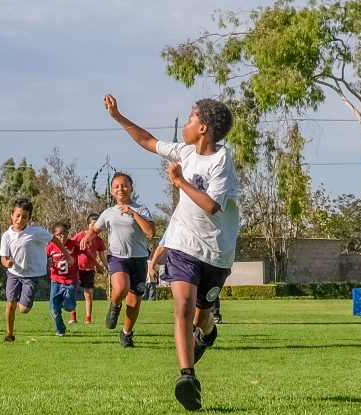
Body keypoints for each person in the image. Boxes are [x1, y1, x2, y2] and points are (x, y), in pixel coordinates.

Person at [104, 94, 239, 411]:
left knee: (201, 319)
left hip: (216, 253)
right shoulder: (184, 151)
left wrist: (179, 181)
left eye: (191, 118)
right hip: (182, 245)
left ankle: (207, 333)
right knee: (182, 305)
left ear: (203, 127)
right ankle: (187, 377)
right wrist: (118, 117)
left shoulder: (222, 161)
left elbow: (211, 205)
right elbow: (148, 140)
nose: (186, 122)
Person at [80, 172, 155, 348]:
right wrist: (87, 237)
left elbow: (151, 233)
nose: (121, 189)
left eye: (124, 185)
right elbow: (95, 229)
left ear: (131, 187)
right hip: (117, 257)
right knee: (121, 287)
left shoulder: (141, 209)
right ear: (112, 192)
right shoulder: (108, 213)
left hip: (138, 259)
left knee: (134, 301)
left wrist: (133, 213)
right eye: (116, 186)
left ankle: (126, 333)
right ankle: (114, 305)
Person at [0, 198, 74, 342]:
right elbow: (3, 257)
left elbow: (55, 239)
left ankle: (25, 298)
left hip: (31, 275)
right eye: (18, 215)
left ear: (29, 218)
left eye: (24, 217)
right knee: (10, 303)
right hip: (14, 273)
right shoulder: (7, 235)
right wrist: (6, 262)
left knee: (23, 309)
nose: (20, 219)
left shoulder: (36, 232)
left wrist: (67, 256)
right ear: (12, 215)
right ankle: (9, 334)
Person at [46, 221, 83, 336]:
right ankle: (60, 329)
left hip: (71, 281)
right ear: (54, 236)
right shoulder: (50, 247)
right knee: (53, 309)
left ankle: (65, 302)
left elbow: (85, 251)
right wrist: (48, 263)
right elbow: (43, 258)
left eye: (65, 233)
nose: (63, 236)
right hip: (56, 281)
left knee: (69, 306)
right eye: (59, 234)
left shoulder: (72, 245)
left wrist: (97, 264)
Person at [70, 213, 108, 324]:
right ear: (88, 225)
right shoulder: (80, 235)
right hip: (77, 268)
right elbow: (70, 247)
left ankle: (88, 318)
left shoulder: (99, 240)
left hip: (89, 270)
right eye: (93, 224)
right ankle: (73, 317)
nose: (95, 226)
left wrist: (108, 268)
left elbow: (102, 256)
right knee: (72, 291)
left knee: (88, 293)